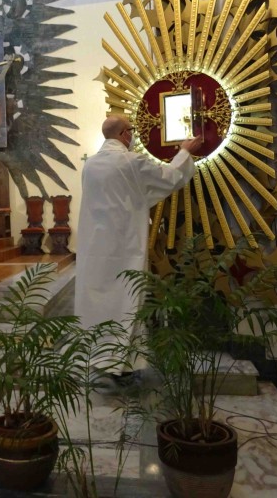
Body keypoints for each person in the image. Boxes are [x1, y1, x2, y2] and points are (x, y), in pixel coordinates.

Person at [74, 115, 202, 376]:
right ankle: (122, 363)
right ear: (124, 134)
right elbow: (170, 176)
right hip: (124, 245)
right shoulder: (131, 162)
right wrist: (184, 151)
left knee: (98, 301)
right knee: (126, 299)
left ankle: (97, 355)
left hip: (94, 248)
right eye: (131, 131)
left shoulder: (90, 165)